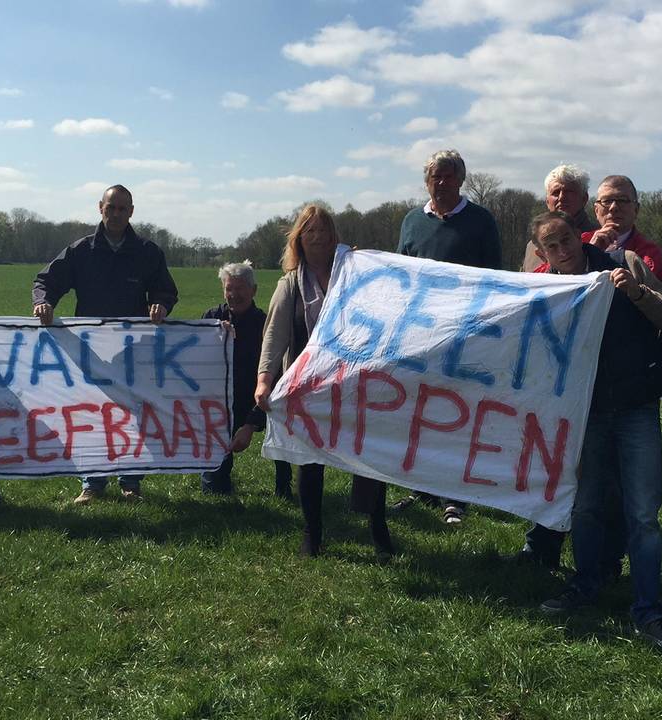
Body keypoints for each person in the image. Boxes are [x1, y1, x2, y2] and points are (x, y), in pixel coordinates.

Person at [527, 211, 662, 655]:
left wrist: (636, 292)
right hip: (584, 414)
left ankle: (647, 608)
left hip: (635, 407)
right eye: (552, 246)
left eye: (567, 240)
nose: (563, 250)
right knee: (586, 506)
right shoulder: (545, 289)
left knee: (643, 513)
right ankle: (585, 584)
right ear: (542, 254)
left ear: (578, 237)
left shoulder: (624, 263)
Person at [255, 204, 395, 562]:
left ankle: (378, 529)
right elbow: (274, 336)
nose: (317, 237)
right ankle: (312, 533)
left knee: (368, 455)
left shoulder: (355, 277)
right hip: (308, 387)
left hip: (354, 382)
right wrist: (264, 379)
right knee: (310, 459)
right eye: (310, 231)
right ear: (299, 238)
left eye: (323, 230)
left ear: (334, 237)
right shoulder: (289, 285)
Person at [32, 184, 178, 505]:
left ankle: (131, 482)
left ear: (131, 212)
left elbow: (166, 290)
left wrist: (161, 304)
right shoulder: (81, 251)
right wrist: (44, 302)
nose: (116, 214)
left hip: (133, 350)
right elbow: (47, 281)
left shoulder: (148, 252)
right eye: (111, 208)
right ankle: (92, 482)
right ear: (100, 208)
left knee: (134, 413)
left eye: (122, 209)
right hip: (90, 350)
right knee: (91, 413)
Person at [390, 149, 503, 524]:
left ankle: (455, 496)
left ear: (461, 179)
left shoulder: (481, 221)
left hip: (463, 337)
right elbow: (401, 271)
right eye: (435, 176)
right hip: (420, 336)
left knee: (457, 415)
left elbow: (495, 277)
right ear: (426, 182)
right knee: (420, 412)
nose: (441, 182)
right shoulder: (412, 221)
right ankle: (420, 488)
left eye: (448, 176)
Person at [201, 261, 293, 498]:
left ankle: (284, 486)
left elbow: (277, 378)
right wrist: (211, 335)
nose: (234, 294)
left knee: (280, 425)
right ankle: (217, 479)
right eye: (229, 288)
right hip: (222, 402)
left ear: (254, 290)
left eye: (240, 288)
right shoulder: (212, 318)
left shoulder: (265, 325)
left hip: (261, 397)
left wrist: (251, 424)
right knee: (214, 488)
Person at [586, 175, 662, 286]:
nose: (613, 207)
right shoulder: (578, 243)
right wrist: (590, 253)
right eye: (606, 201)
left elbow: (657, 295)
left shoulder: (649, 255)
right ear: (596, 210)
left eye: (622, 200)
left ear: (636, 209)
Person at [521, 163, 601, 272]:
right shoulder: (532, 247)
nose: (562, 197)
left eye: (569, 192)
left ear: (584, 198)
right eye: (555, 192)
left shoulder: (603, 238)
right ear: (547, 201)